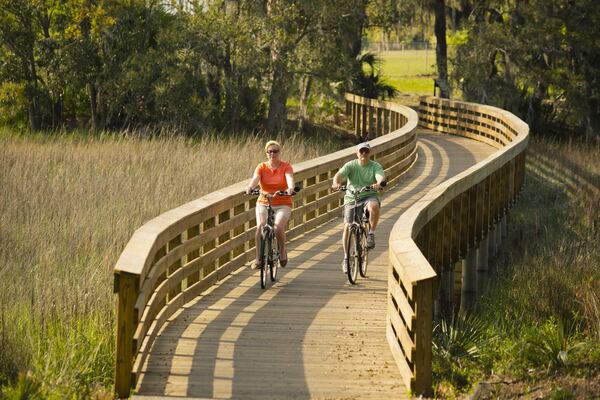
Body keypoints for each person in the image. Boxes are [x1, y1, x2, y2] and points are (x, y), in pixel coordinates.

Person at [331, 142, 386, 272]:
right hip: (352, 197)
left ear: (369, 153)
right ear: (357, 153)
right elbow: (339, 175)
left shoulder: (375, 166)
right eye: (361, 152)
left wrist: (378, 183)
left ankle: (371, 233)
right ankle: (346, 257)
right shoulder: (351, 165)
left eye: (366, 152)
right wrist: (336, 183)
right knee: (347, 226)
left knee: (373, 207)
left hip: (369, 195)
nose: (364, 154)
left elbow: (380, 177)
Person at [245, 140, 295, 269]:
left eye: (275, 151)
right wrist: (250, 187)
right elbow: (255, 179)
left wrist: (290, 188)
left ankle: (282, 250)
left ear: (279, 152)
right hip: (264, 201)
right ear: (266, 153)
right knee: (260, 227)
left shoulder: (286, 166)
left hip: (283, 202)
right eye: (270, 151)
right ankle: (258, 259)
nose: (272, 154)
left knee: (278, 227)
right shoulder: (261, 166)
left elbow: (290, 178)